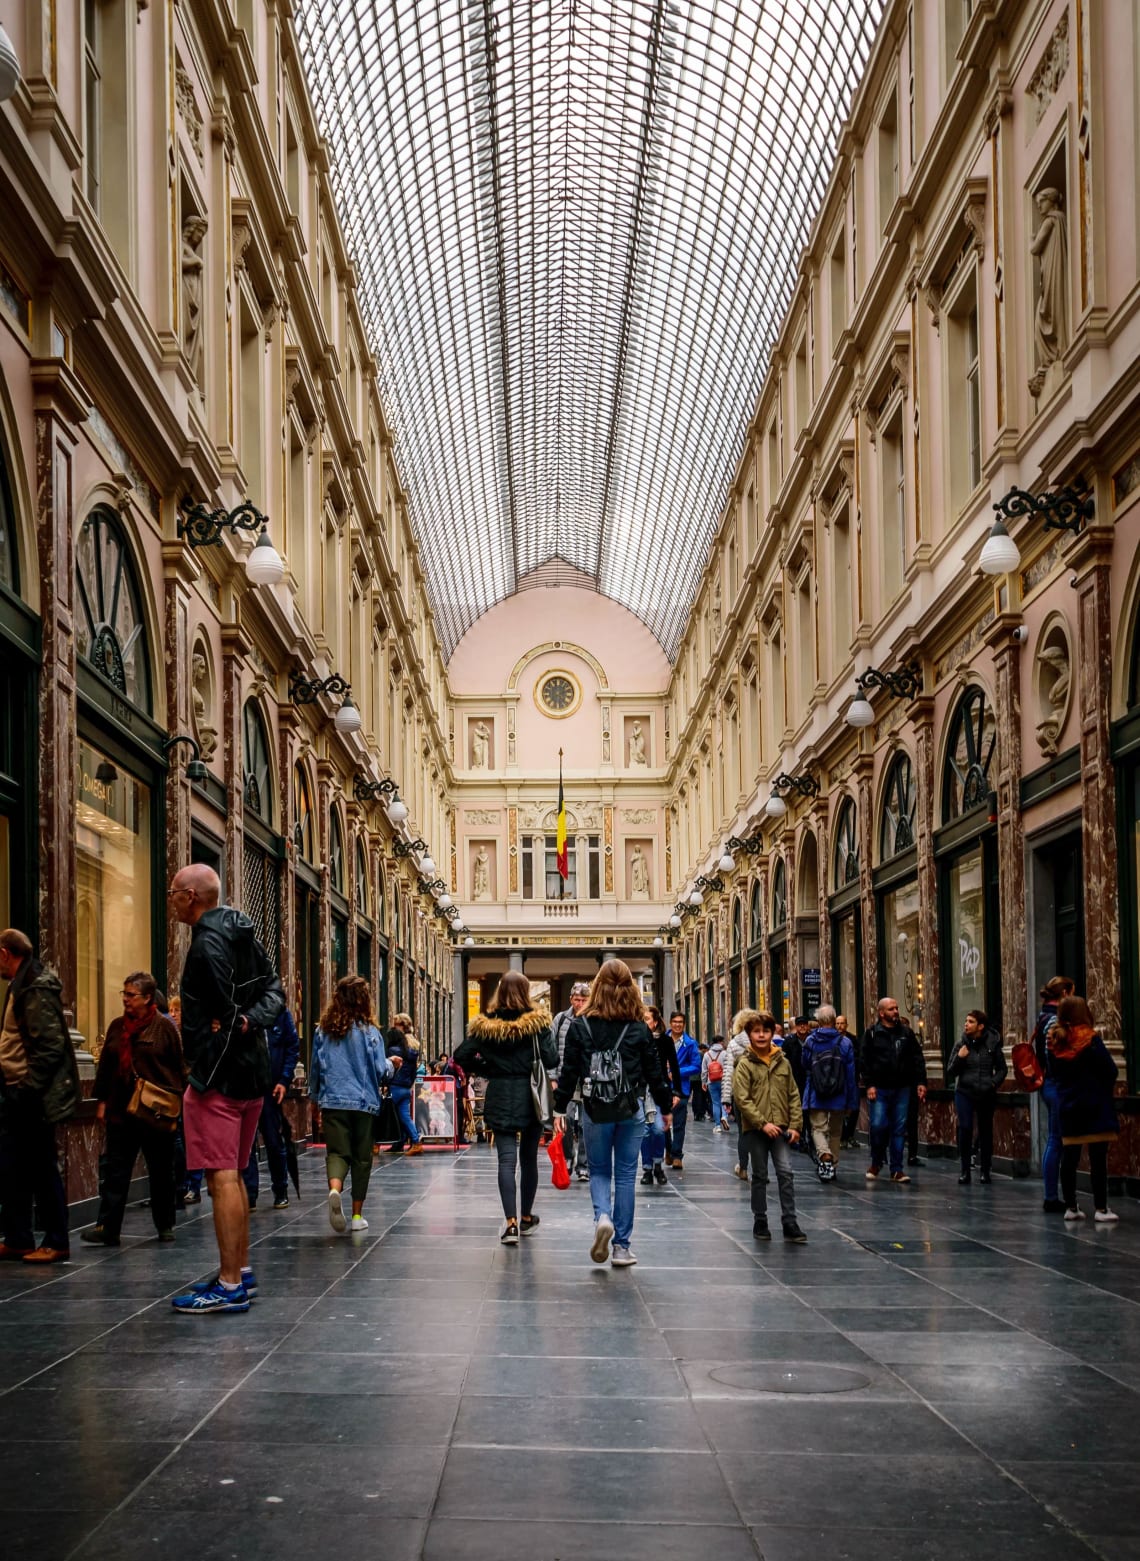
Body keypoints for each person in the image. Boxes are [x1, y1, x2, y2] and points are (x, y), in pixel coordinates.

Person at [167, 865, 284, 1314]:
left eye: (174, 893)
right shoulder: (243, 935)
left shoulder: (206, 946)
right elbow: (273, 991)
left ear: (192, 896)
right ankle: (241, 1270)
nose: (172, 899)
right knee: (232, 1174)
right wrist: (250, 1020)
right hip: (251, 1071)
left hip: (220, 1076)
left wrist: (203, 1071)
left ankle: (230, 1283)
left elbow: (226, 1013)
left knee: (223, 1178)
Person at [555, 959, 672, 1267]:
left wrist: (558, 1107)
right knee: (624, 1175)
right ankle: (621, 1247)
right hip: (630, 1108)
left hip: (595, 1109)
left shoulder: (581, 1026)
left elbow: (568, 1073)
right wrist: (665, 1104)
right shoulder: (638, 1028)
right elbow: (654, 1071)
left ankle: (602, 1217)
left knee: (599, 1171)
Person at [83, 971, 187, 1246]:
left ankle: (165, 1225)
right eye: (124, 994)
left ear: (148, 997)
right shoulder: (117, 1027)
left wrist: (175, 1102)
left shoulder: (164, 1027)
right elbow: (105, 1067)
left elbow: (178, 1066)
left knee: (161, 1171)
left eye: (132, 995)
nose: (126, 1000)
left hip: (154, 1112)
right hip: (121, 1111)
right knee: (116, 1172)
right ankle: (108, 1227)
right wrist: (102, 1103)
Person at [455, 972, 557, 1244]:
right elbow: (552, 1058)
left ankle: (510, 1224)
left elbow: (460, 1056)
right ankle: (526, 1217)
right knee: (528, 1160)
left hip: (499, 1093)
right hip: (530, 1096)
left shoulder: (486, 1025)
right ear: (525, 992)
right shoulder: (538, 1024)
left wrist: (486, 1067)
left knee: (506, 1160)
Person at [0, 928, 81, 1263]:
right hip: (17, 1091)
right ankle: (18, 1237)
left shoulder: (34, 986)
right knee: (14, 1167)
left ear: (6, 953)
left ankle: (56, 1240)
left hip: (30, 1096)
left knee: (41, 1167)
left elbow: (49, 1047)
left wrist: (27, 1089)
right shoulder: (21, 983)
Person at [309, 976, 391, 1233]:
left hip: (332, 1101)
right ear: (364, 1000)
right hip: (363, 1103)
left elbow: (315, 1070)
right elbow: (380, 1070)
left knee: (336, 1153)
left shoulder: (322, 1031)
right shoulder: (371, 1033)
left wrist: (315, 1099)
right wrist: (392, 1065)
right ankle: (357, 1217)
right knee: (361, 1159)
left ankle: (335, 1188)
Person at [732, 1012, 806, 1243]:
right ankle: (760, 1219)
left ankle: (790, 1221)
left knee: (785, 1172)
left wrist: (795, 1125)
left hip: (782, 1128)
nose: (761, 1035)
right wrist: (763, 1124)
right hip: (757, 1130)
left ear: (772, 1033)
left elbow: (793, 1095)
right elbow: (742, 1099)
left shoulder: (782, 1061)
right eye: (756, 1031)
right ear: (749, 1035)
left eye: (765, 1031)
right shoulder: (744, 1064)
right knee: (760, 1175)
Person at [1048, 995, 1119, 1224]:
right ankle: (1101, 1208)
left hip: (1068, 1105)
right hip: (1095, 1104)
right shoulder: (1091, 1039)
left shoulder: (1055, 1041)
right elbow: (1110, 1071)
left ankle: (1071, 1206)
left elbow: (1055, 1074)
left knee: (1069, 1157)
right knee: (1098, 1158)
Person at [861, 996, 927, 1183]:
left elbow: (917, 1058)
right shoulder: (872, 1033)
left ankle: (896, 1169)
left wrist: (921, 1082)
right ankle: (877, 1160)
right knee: (878, 1125)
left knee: (899, 1128)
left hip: (902, 1087)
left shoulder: (906, 1033)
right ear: (881, 1013)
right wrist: (870, 1084)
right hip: (880, 1088)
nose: (896, 1012)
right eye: (891, 1009)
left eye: (897, 1008)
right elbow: (864, 1061)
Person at [243, 1006, 300, 1211]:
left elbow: (292, 1046)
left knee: (273, 1139)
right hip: (246, 1087)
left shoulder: (280, 1014)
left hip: (271, 1087)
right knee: (246, 1143)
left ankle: (280, 1189)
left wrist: (284, 1080)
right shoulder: (242, 1010)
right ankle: (249, 1194)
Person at [948, 1009, 1007, 1186]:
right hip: (965, 1091)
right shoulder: (961, 1044)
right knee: (965, 1128)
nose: (966, 1024)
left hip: (986, 1092)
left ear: (980, 1026)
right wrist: (959, 1058)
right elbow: (951, 1071)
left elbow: (1002, 1069)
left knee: (985, 1131)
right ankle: (965, 1170)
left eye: (971, 1021)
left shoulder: (992, 1043)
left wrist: (993, 1083)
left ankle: (985, 1170)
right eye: (966, 1021)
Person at [800, 1004, 858, 1181]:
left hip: (816, 1092)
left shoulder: (810, 1041)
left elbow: (805, 1064)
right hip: (839, 1093)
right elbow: (850, 1074)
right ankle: (832, 1165)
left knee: (817, 1128)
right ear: (834, 1021)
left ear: (818, 1022)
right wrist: (851, 1102)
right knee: (835, 1131)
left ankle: (824, 1155)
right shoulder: (845, 1042)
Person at [1033, 976, 1074, 1212]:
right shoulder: (1053, 1021)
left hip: (1048, 1083)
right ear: (1066, 994)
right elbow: (1054, 1056)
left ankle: (1053, 1194)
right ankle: (1051, 1196)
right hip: (1055, 1083)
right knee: (1056, 1139)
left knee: (1056, 1138)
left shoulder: (1043, 1017)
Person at [552, 982, 591, 1181]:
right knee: (563, 1119)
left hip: (586, 1080)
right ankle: (568, 1155)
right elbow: (550, 1051)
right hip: (564, 1078)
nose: (580, 1003)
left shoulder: (593, 1020)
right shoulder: (560, 1019)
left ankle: (583, 1165)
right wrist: (552, 1077)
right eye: (577, 999)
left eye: (584, 1000)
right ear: (571, 1000)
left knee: (586, 1123)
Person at [640, 1004, 680, 1186]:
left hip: (658, 1090)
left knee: (657, 1129)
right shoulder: (636, 1039)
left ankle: (657, 1163)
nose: (644, 1022)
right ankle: (647, 1168)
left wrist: (676, 1091)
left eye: (647, 1019)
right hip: (640, 1090)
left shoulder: (664, 1041)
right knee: (644, 1131)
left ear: (655, 1022)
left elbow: (674, 1065)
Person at [725, 1009, 759, 1181]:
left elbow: (728, 1072)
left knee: (743, 1132)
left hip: (740, 1094)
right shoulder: (763, 1043)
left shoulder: (733, 1044)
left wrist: (726, 1098)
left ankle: (743, 1168)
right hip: (760, 1095)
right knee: (760, 1133)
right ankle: (761, 1171)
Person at [664, 1011, 700, 1171]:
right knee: (662, 1123)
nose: (677, 1024)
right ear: (670, 1023)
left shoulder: (690, 1043)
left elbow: (696, 1066)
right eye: (675, 1021)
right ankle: (669, 1149)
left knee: (679, 1124)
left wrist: (677, 1071)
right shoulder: (661, 1040)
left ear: (684, 1024)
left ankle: (677, 1155)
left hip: (681, 1089)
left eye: (680, 1022)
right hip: (663, 1088)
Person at [385, 1013, 424, 1154]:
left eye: (395, 1025)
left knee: (384, 1114)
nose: (393, 1028)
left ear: (401, 1026)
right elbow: (413, 1069)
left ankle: (375, 1143)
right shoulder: (412, 1046)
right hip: (406, 1086)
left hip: (395, 1085)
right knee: (403, 1116)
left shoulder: (395, 1048)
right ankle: (410, 1142)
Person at [836, 1014, 861, 1148]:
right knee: (840, 1109)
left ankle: (850, 1135)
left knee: (854, 1108)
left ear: (846, 1025)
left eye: (842, 1023)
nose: (840, 1026)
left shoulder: (853, 1040)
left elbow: (859, 1057)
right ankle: (842, 1137)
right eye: (838, 1023)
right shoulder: (833, 1040)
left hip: (852, 1078)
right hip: (838, 1080)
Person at [702, 1035, 730, 1131]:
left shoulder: (707, 1054)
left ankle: (717, 1126)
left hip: (711, 1081)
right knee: (725, 1100)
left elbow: (704, 1070)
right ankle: (724, 1117)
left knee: (715, 1103)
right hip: (724, 1080)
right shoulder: (725, 1053)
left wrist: (704, 1082)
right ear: (720, 1042)